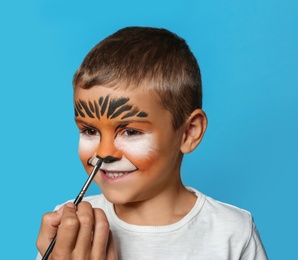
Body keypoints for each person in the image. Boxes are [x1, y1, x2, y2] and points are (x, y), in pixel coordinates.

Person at [36, 26, 267, 259]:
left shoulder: (232, 232)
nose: (104, 152)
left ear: (188, 132)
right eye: (89, 130)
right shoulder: (69, 228)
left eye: (131, 132)